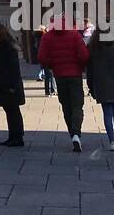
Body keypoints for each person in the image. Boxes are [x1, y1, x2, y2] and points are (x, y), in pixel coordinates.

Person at [38, 18, 89, 153]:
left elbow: (42, 57)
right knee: (77, 105)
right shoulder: (74, 35)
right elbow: (84, 55)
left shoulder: (47, 37)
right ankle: (77, 134)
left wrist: (51, 65)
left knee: (66, 106)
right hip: (75, 75)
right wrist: (80, 66)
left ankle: (72, 134)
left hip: (59, 75)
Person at [87, 27, 114, 151]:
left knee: (107, 113)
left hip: (100, 84)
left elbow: (89, 71)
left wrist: (90, 86)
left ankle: (111, 141)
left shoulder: (93, 49)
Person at [0, 23, 25, 147]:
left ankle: (17, 136)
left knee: (13, 110)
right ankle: (13, 135)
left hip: (9, 84)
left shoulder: (7, 47)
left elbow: (12, 68)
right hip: (4, 83)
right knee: (9, 110)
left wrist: (11, 85)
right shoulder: (0, 45)